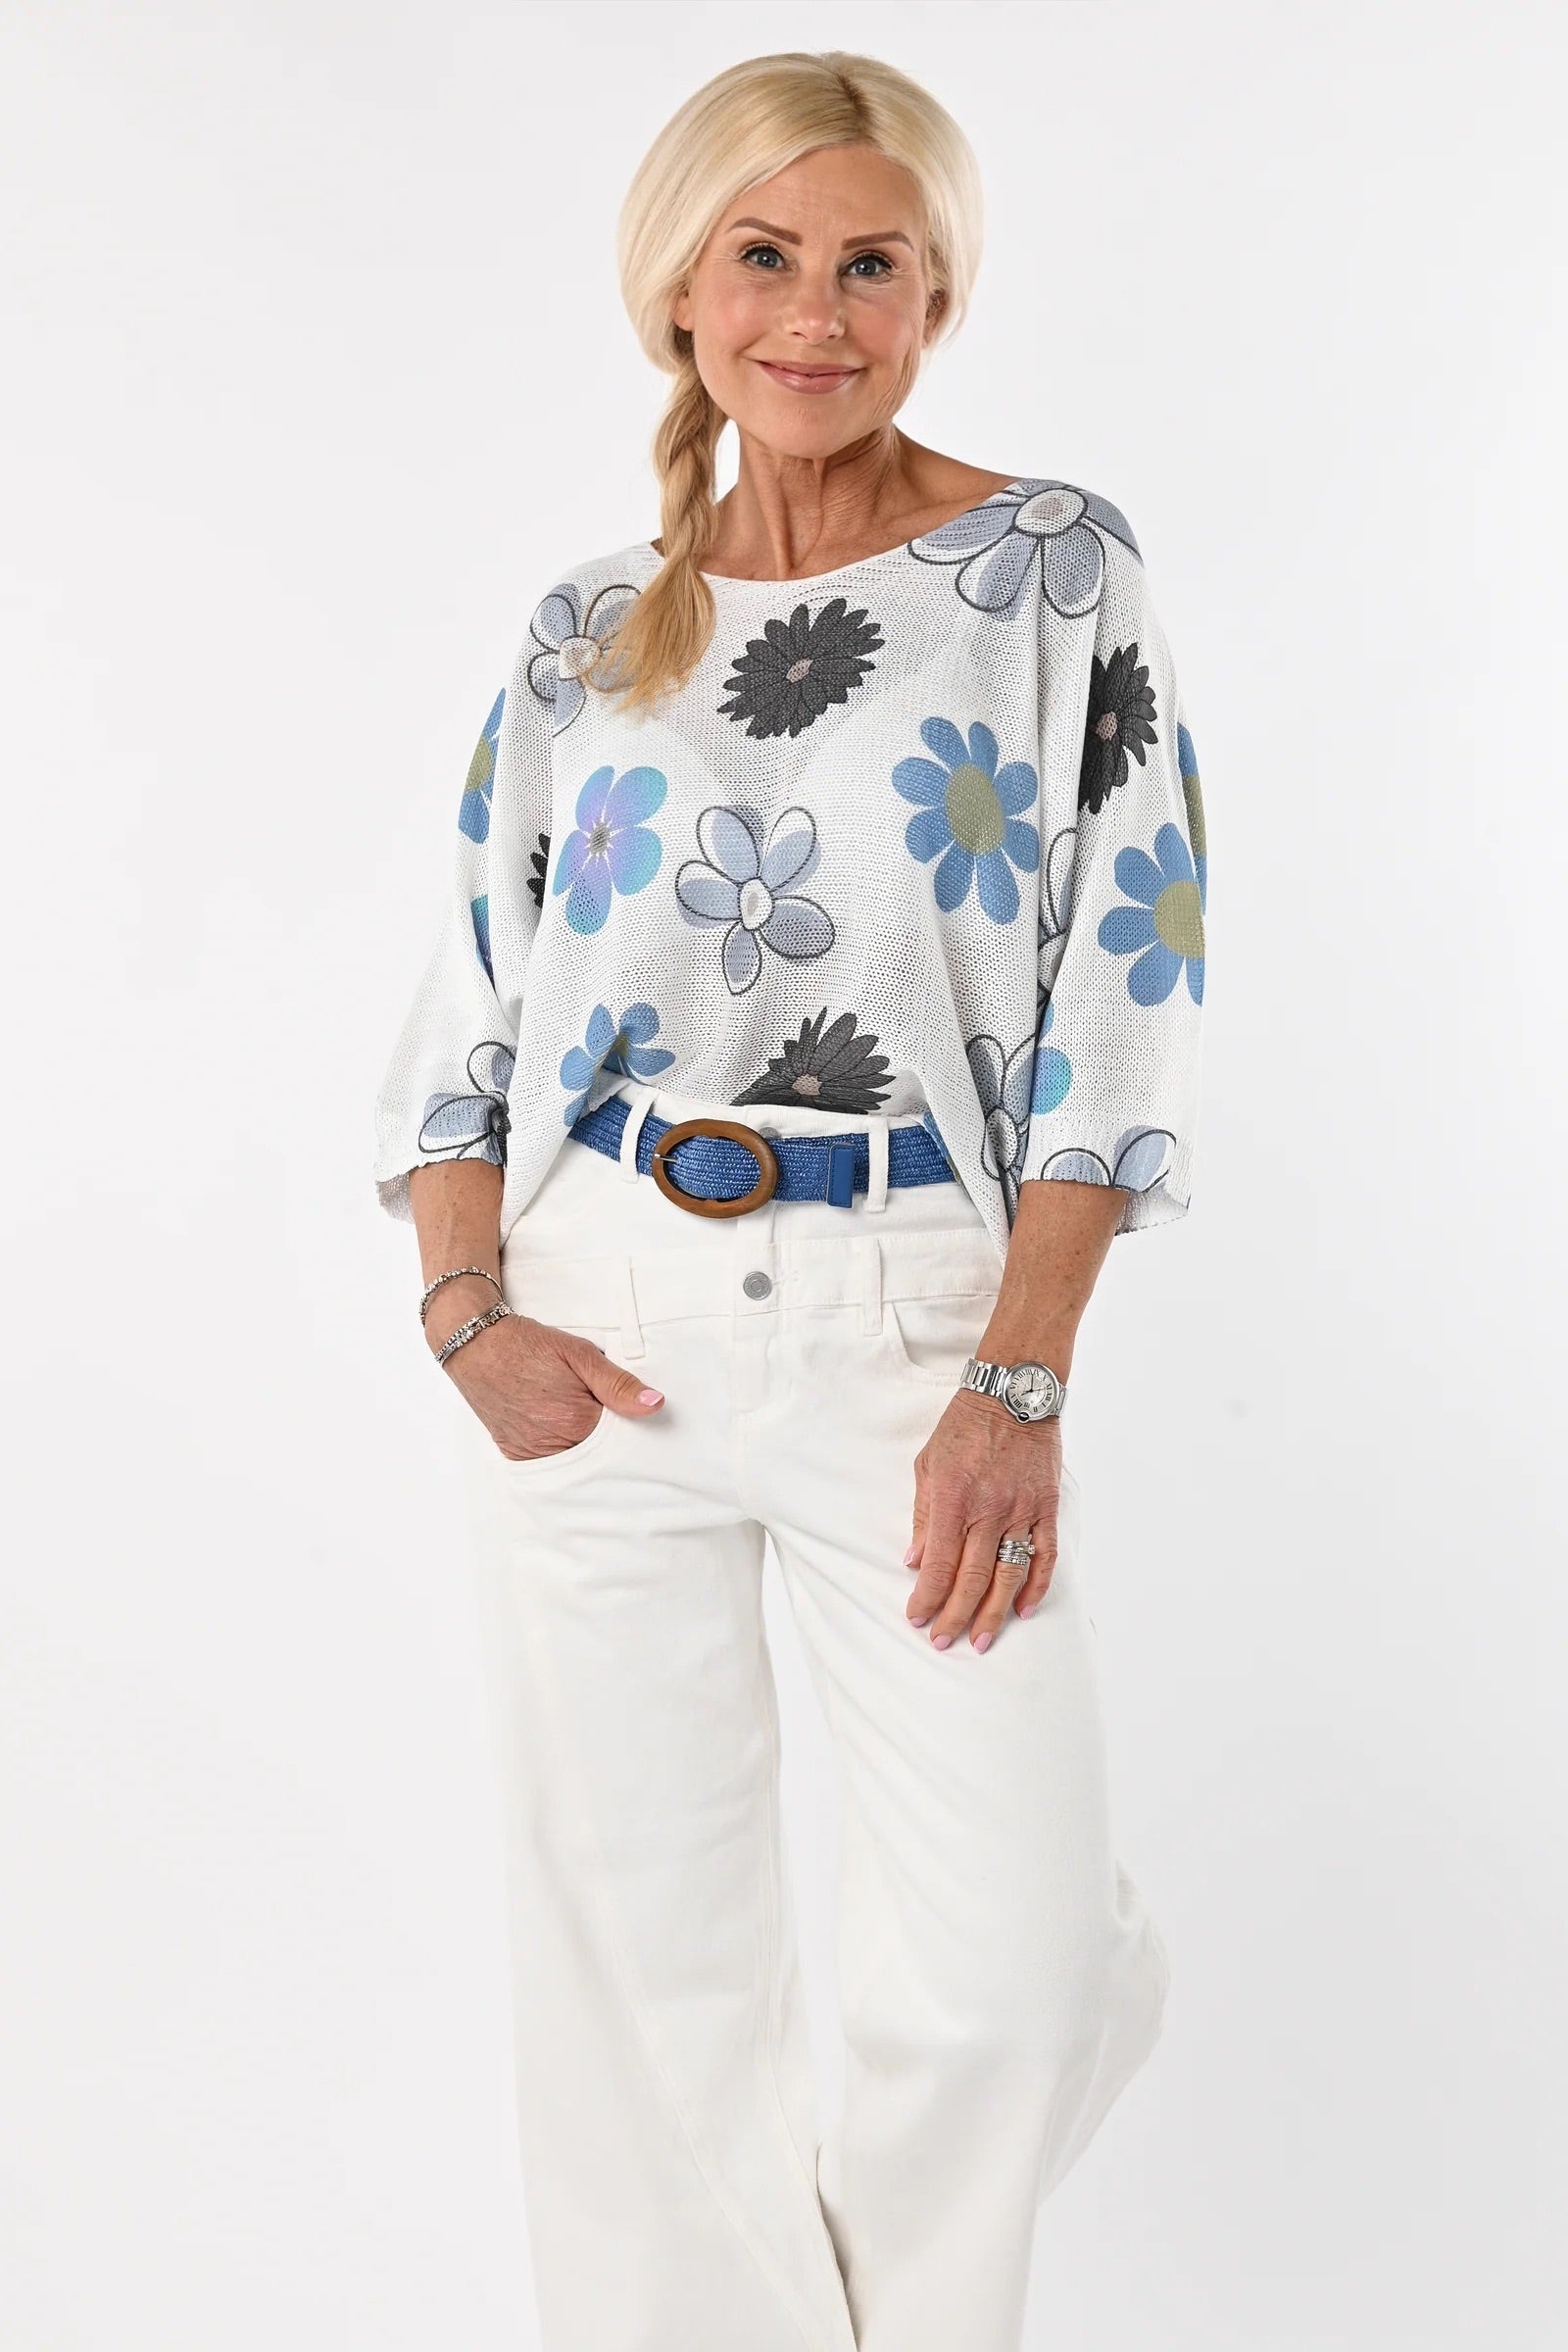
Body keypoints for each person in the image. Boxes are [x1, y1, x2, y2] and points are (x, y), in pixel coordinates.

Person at [371, 46, 1207, 2352]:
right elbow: (463, 1007)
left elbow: (1121, 994)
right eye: (763, 257)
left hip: (913, 1311)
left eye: (871, 265)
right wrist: (467, 1316)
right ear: (680, 287)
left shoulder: (1047, 571)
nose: (814, 315)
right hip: (596, 1315)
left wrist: (1015, 1376)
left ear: (939, 296)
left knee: (1013, 1982)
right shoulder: (582, 632)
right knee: (637, 1979)